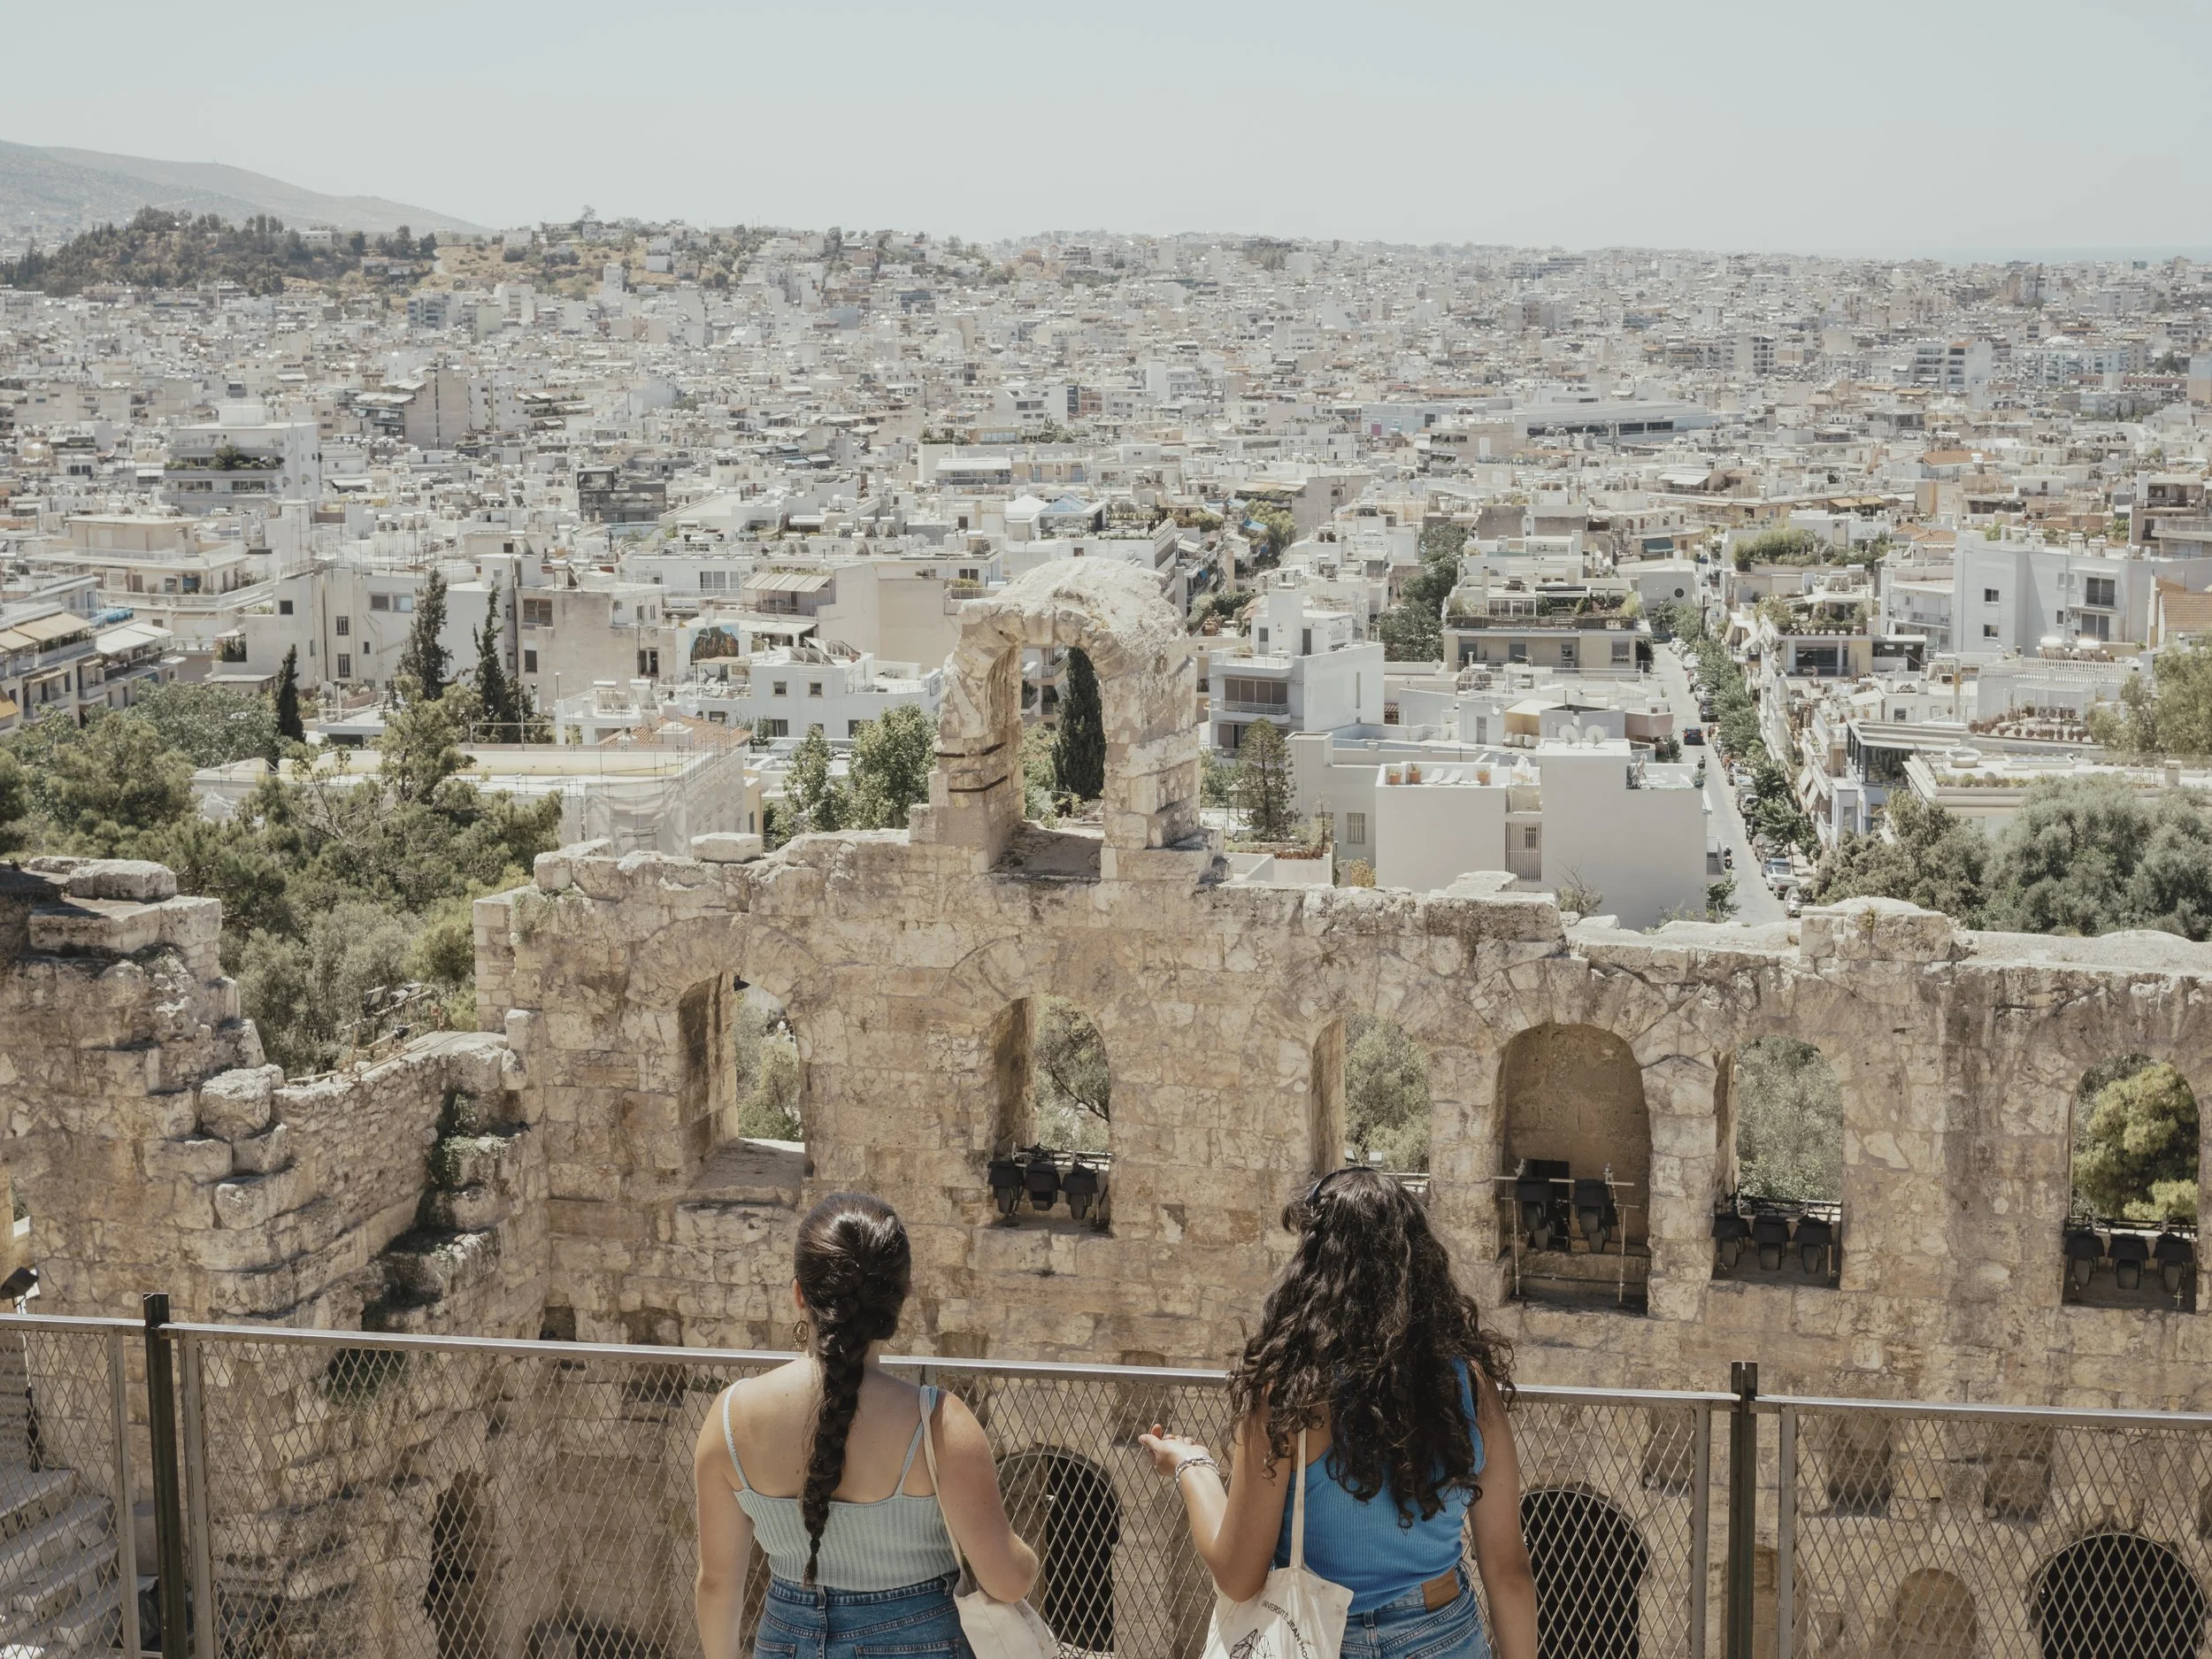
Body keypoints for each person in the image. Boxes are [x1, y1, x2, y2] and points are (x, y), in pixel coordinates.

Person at [1140, 1167, 1537, 1659]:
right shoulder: (1469, 1385)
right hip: (1444, 1633)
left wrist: (1191, 1465)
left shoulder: (1289, 1393)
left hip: (1317, 1637)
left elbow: (1239, 1577)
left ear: (1312, 1265)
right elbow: (1508, 1570)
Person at [695, 1194, 1038, 1659]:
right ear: (900, 1297)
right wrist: (1025, 1559)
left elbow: (717, 1584)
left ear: (799, 1294)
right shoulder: (939, 1424)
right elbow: (1007, 1581)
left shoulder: (729, 1418)